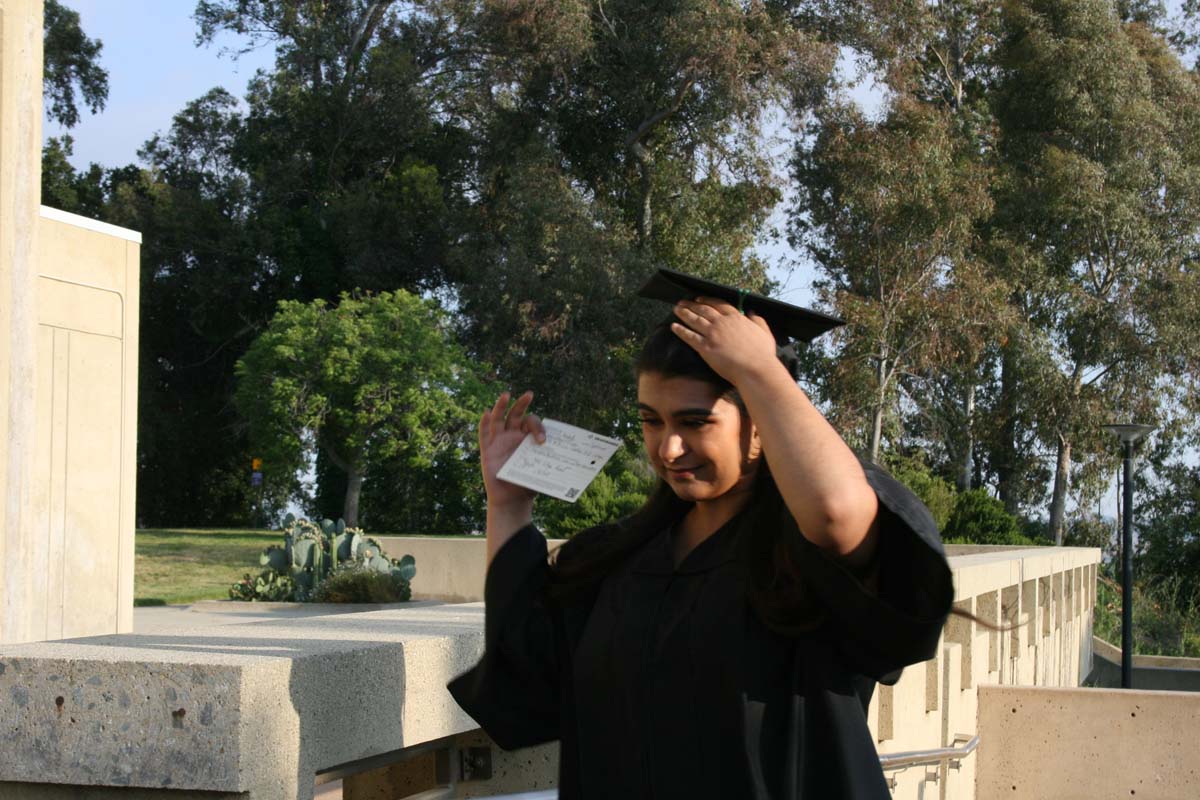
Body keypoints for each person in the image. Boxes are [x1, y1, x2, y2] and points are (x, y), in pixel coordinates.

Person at [449, 271, 954, 799]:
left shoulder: (801, 560)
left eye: (695, 422)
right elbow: (527, 677)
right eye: (651, 420)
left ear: (759, 424)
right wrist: (508, 504)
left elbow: (835, 511)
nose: (668, 449)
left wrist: (760, 368)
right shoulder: (615, 560)